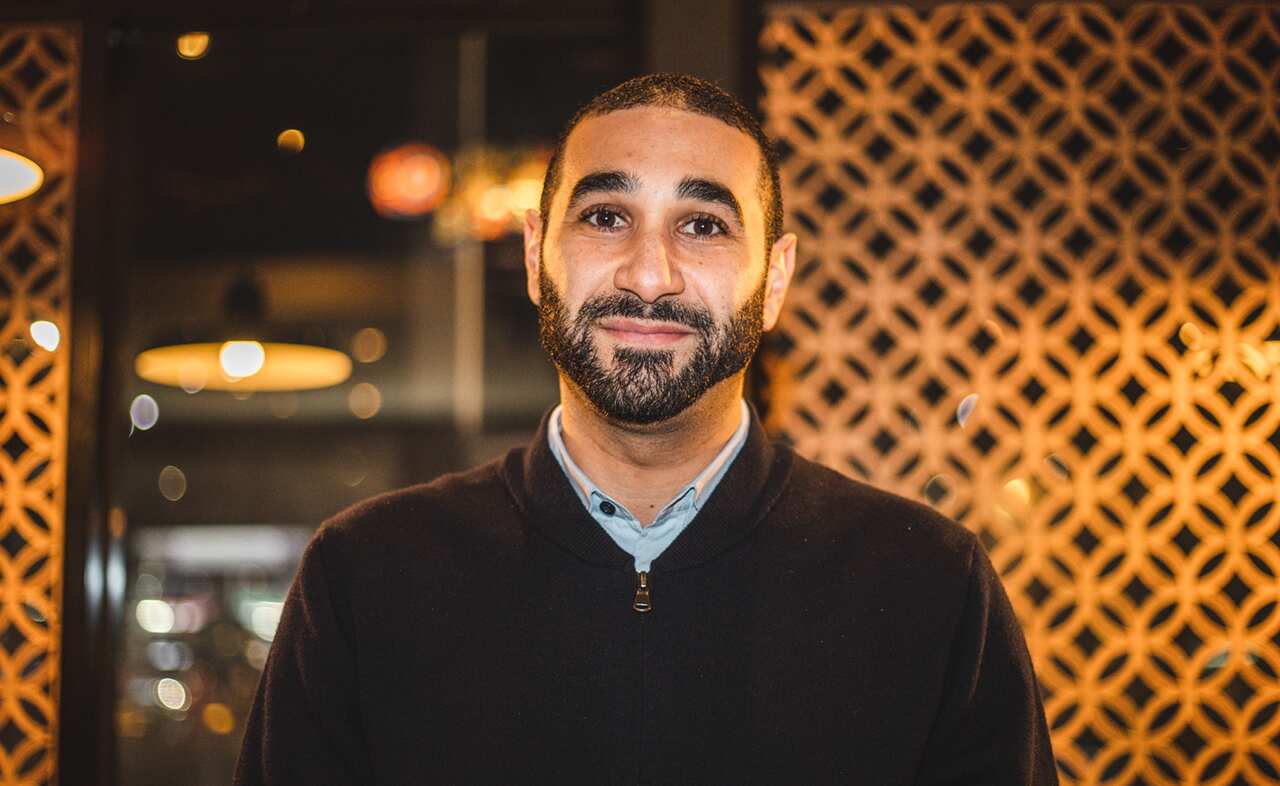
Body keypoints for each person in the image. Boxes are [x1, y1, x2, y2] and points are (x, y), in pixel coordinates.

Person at [234, 73, 1059, 785]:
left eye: (703, 225)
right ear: (534, 256)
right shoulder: (365, 577)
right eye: (604, 217)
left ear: (774, 280)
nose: (650, 274)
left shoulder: (930, 586)